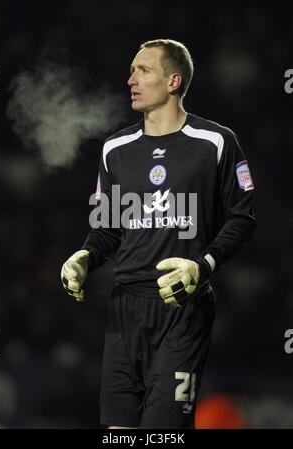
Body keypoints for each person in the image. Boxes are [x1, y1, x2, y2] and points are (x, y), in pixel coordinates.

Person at [61, 39, 256, 429]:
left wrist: (202, 266)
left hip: (182, 308)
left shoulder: (216, 142)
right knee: (120, 432)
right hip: (124, 309)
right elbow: (107, 227)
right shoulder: (115, 148)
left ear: (173, 81)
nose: (130, 78)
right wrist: (85, 256)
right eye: (132, 70)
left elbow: (242, 218)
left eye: (142, 70)